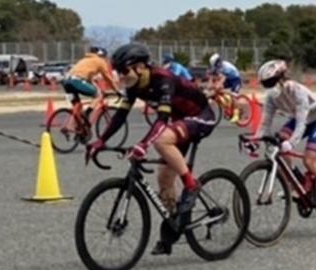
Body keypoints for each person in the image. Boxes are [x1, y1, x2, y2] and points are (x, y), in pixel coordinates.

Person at [88, 43, 219, 256]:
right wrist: (100, 140)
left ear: (140, 67)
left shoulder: (163, 79)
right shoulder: (134, 86)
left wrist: (143, 145)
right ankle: (174, 227)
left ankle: (191, 185)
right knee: (164, 181)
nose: (120, 77)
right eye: (117, 72)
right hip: (179, 122)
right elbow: (120, 116)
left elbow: (162, 120)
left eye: (123, 71)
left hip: (201, 117)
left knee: (161, 141)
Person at [251, 60, 316, 216]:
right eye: (266, 84)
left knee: (309, 160)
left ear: (281, 78)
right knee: (279, 147)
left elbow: (301, 124)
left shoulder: (297, 91)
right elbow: (265, 124)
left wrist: (291, 143)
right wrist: (254, 142)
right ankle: (296, 184)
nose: (269, 87)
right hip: (300, 119)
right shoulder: (271, 97)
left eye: (271, 82)